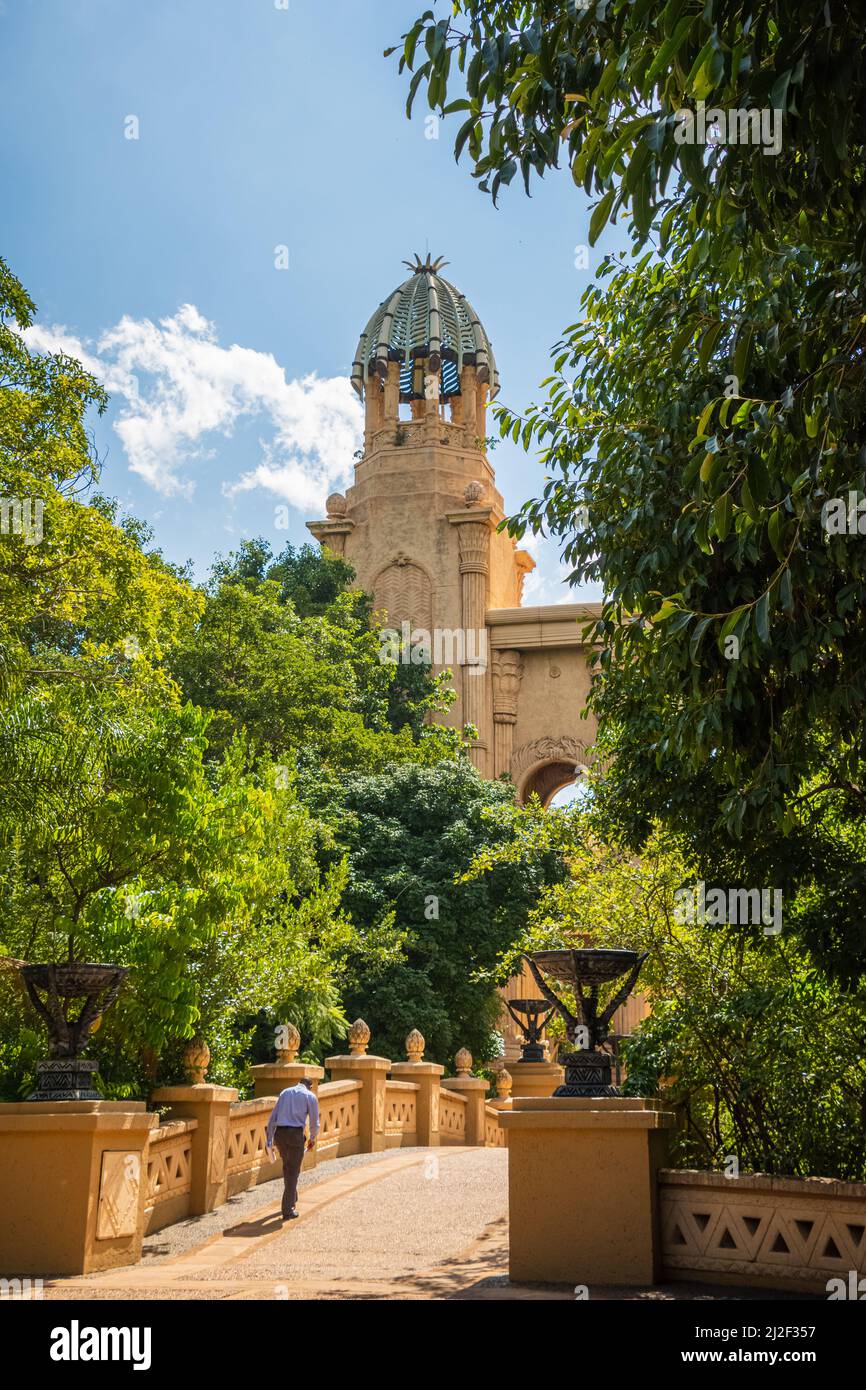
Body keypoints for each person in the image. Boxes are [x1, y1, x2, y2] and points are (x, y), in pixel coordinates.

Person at [265, 1078, 320, 1221]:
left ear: (299, 1082)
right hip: (295, 1135)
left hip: (280, 1135)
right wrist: (312, 1138)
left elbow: (273, 1118)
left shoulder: (285, 1092)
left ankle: (292, 1197)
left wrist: (269, 1141)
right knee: (293, 1171)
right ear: (310, 1086)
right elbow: (314, 1122)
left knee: (288, 1167)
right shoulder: (310, 1096)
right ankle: (287, 1209)